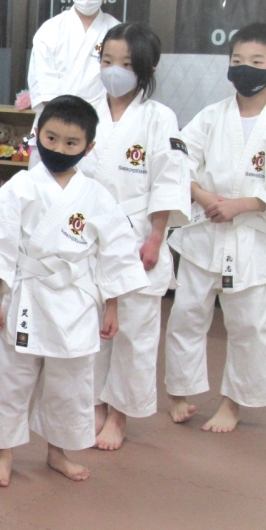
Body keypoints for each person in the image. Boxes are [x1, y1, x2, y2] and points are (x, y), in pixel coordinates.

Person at [0, 95, 148, 486]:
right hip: (26, 295)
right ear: (37, 135)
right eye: (51, 138)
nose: (59, 149)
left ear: (89, 147)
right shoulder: (21, 186)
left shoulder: (97, 196)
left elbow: (114, 254)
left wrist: (112, 307)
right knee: (10, 375)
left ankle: (57, 451)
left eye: (71, 143)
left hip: (76, 301)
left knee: (71, 383)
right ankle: (4, 453)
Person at [164, 22, 266, 433]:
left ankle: (233, 403)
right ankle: (179, 390)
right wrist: (200, 195)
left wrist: (243, 204)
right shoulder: (211, 116)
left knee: (249, 325)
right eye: (237, 61)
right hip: (205, 230)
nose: (245, 69)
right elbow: (179, 158)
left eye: (256, 62)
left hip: (253, 237)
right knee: (187, 314)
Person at [79, 23, 191, 450]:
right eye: (107, 61)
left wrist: (156, 236)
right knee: (90, 326)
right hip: (88, 236)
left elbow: (169, 179)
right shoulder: (84, 108)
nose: (114, 70)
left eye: (126, 63)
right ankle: (92, 403)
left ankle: (119, 413)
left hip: (138, 234)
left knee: (134, 330)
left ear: (147, 67)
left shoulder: (160, 117)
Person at [27, 0, 120, 115]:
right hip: (57, 119)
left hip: (102, 119)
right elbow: (44, 86)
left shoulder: (117, 31)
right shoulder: (50, 30)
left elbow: (121, 85)